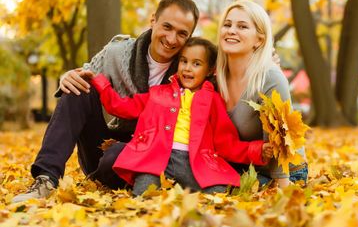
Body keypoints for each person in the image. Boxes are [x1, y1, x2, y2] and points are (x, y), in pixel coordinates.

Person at [13, 0, 200, 203]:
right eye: (167, 27)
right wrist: (68, 76)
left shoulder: (191, 71)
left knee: (117, 155)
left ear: (190, 37)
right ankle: (46, 178)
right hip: (107, 150)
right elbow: (86, 73)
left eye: (182, 33)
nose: (172, 39)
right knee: (79, 87)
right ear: (153, 20)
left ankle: (116, 180)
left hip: (156, 160)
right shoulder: (117, 53)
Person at [84, 37, 273, 196]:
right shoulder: (157, 93)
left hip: (196, 164)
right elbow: (121, 107)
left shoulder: (213, 100)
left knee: (219, 195)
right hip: (155, 159)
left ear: (209, 70)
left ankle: (259, 182)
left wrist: (256, 150)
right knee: (143, 196)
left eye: (196, 63)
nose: (187, 68)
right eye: (184, 61)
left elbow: (226, 142)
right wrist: (99, 82)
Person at [216, 0, 308, 187]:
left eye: (242, 26)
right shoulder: (215, 79)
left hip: (285, 172)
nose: (231, 30)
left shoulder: (270, 77)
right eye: (227, 24)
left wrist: (281, 187)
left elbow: (279, 142)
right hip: (244, 167)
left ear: (259, 39)